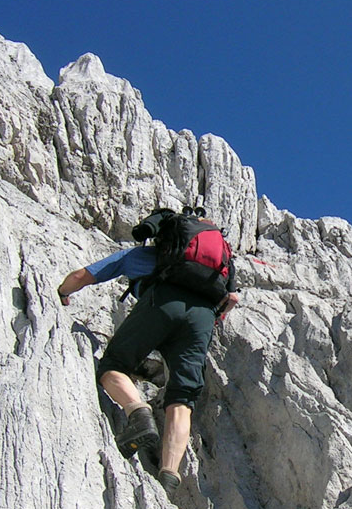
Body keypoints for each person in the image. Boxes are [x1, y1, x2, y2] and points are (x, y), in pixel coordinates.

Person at [57, 208, 238, 494]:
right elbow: (231, 301)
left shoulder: (146, 256)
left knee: (114, 366)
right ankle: (169, 475)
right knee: (182, 398)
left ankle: (138, 412)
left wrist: (62, 292)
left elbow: (82, 276)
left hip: (162, 302)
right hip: (202, 318)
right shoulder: (218, 269)